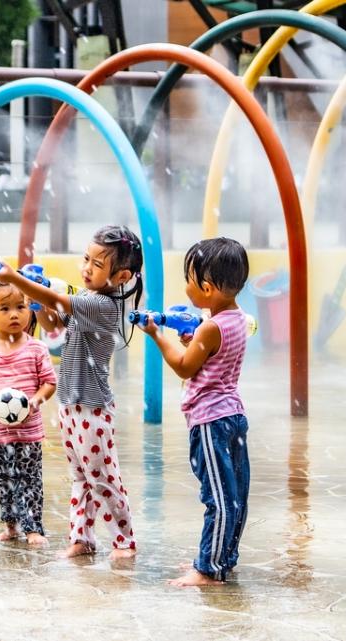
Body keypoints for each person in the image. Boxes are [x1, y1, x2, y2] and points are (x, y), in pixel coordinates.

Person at [0, 224, 144, 560]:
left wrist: (15, 279)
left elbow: (58, 300)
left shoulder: (105, 305)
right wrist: (35, 300)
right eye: (85, 259)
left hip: (92, 405)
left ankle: (124, 542)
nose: (86, 267)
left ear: (120, 276)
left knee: (103, 478)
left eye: (97, 264)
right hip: (71, 403)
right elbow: (53, 325)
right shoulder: (88, 298)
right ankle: (81, 538)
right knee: (80, 477)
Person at [138, 237, 251, 587]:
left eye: (189, 280)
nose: (186, 288)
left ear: (206, 287)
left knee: (217, 497)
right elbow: (213, 357)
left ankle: (207, 568)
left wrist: (156, 334)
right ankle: (224, 557)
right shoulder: (238, 319)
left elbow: (185, 368)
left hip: (209, 421)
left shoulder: (210, 327)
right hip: (233, 415)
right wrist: (194, 340)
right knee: (234, 496)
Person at [0, 280, 57, 545]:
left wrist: (35, 402)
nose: (15, 314)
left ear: (30, 309)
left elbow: (49, 383)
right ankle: (11, 526)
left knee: (30, 480)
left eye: (21, 306)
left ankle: (33, 528)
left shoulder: (37, 348)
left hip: (28, 432)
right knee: (3, 481)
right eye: (5, 308)